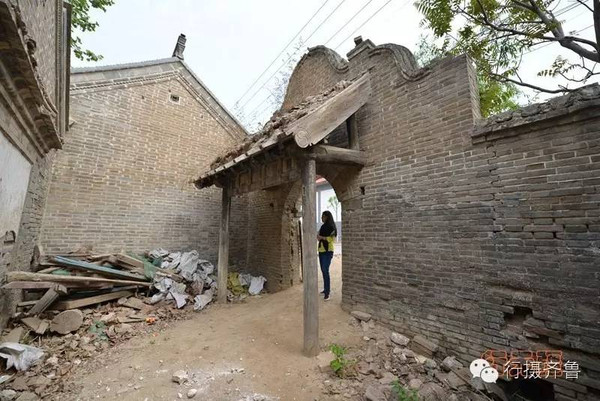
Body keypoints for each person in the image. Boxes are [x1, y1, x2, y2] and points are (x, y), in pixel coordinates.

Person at [317, 210, 337, 301]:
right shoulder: (322, 227)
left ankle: (327, 293)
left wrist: (322, 237)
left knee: (325, 270)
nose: (322, 218)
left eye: (323, 216)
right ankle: (325, 289)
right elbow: (318, 236)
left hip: (328, 251)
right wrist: (319, 237)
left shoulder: (332, 227)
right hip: (321, 250)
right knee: (323, 270)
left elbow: (331, 239)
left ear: (327, 217)